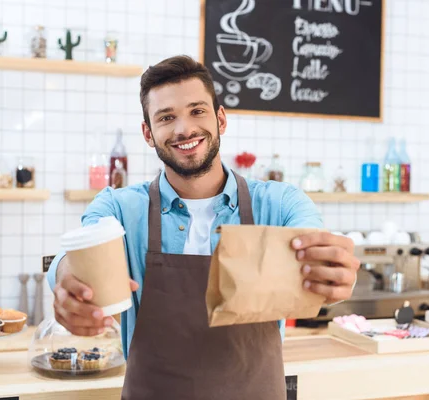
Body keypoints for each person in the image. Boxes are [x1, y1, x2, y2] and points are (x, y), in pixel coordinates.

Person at [46, 55, 360, 399]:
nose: (184, 129)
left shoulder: (281, 204)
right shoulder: (119, 208)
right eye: (167, 118)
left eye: (197, 111)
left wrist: (332, 268)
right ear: (148, 133)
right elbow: (76, 253)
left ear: (220, 119)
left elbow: (314, 246)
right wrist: (66, 280)